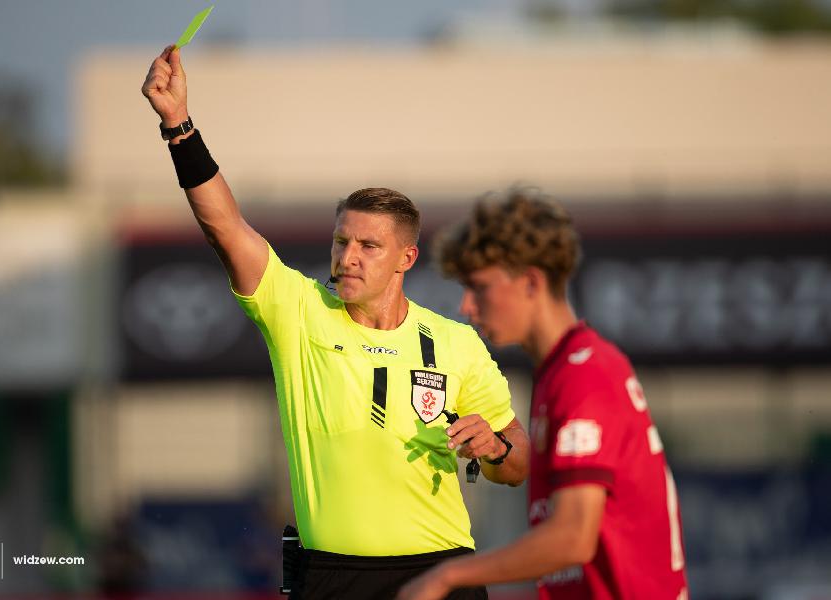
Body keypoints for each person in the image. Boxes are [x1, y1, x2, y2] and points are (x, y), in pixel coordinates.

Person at [141, 46, 530, 600]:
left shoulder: (455, 342)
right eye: (341, 241)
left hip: (441, 573)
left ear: (406, 258)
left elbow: (519, 463)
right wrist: (179, 126)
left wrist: (495, 448)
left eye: (369, 246)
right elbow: (225, 227)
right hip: (333, 577)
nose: (348, 257)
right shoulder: (297, 310)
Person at [397, 190, 689, 600]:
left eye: (479, 288)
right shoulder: (559, 372)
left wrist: (446, 576)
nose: (466, 306)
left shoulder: (584, 375)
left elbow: (572, 537)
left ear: (531, 282)